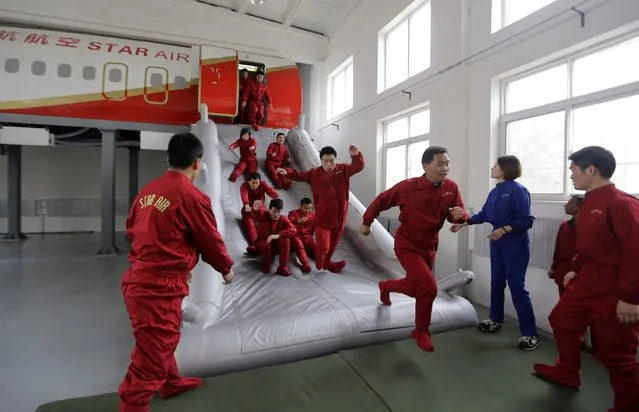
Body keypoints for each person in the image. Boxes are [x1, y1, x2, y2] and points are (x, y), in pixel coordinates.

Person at [119, 132, 235, 412]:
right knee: (150, 360)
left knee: (164, 339)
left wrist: (176, 260)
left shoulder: (147, 191)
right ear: (197, 164)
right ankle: (132, 405)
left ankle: (170, 383)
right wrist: (226, 269)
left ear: (169, 158)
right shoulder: (192, 197)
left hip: (140, 279)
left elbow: (131, 231)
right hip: (158, 288)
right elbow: (210, 240)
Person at [532, 146, 639, 412]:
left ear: (591, 170)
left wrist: (630, 298)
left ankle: (629, 405)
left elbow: (636, 252)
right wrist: (576, 267)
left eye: (574, 170)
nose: (571, 175)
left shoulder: (623, 203)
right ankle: (568, 372)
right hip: (587, 282)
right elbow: (590, 244)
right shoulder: (588, 201)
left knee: (617, 355)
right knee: (562, 319)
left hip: (615, 291)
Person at [360, 146, 468, 352]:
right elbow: (383, 199)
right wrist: (367, 222)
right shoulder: (408, 187)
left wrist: (460, 217)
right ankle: (420, 330)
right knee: (429, 287)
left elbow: (457, 211)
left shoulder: (451, 188)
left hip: (430, 245)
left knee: (415, 287)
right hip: (407, 243)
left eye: (447, 163)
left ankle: (386, 286)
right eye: (440, 164)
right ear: (426, 166)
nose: (445, 168)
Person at [451, 155, 539, 351]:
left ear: (505, 169)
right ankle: (495, 320)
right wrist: (463, 223)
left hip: (514, 243)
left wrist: (504, 229)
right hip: (497, 242)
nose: (492, 168)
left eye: (496, 165)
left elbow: (526, 220)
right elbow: (484, 214)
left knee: (517, 286)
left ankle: (530, 333)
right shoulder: (495, 192)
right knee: (497, 282)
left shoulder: (519, 190)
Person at [277, 145, 364, 273]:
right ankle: (320, 262)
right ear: (321, 161)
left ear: (336, 160)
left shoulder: (343, 169)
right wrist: (288, 172)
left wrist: (356, 156)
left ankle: (326, 264)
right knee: (323, 246)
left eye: (332, 161)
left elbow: (358, 167)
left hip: (340, 217)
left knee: (333, 246)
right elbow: (300, 175)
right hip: (323, 218)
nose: (329, 164)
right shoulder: (314, 174)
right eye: (325, 161)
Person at [548, 195, 583, 297]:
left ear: (580, 206)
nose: (565, 205)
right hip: (563, 269)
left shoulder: (587, 226)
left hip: (580, 270)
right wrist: (554, 267)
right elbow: (558, 249)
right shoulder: (564, 226)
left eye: (570, 203)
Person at [253, 198, 297, 276]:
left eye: (278, 212)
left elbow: (293, 230)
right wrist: (255, 209)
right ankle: (266, 264)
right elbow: (256, 214)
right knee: (266, 245)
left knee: (286, 240)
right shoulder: (264, 215)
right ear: (269, 209)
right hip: (263, 243)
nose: (276, 215)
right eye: (274, 211)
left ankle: (282, 267)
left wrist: (278, 235)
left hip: (276, 246)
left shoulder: (283, 218)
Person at [240, 172, 279, 254]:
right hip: (249, 209)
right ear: (248, 181)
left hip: (260, 208)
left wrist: (275, 195)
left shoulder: (263, 184)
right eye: (253, 183)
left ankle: (272, 244)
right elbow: (244, 195)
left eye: (257, 183)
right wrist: (246, 205)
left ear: (259, 182)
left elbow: (272, 193)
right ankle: (254, 245)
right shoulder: (244, 186)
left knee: (266, 223)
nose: (255, 185)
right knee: (251, 226)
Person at [288, 197, 316, 273]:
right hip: (296, 237)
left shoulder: (313, 215)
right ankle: (305, 264)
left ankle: (329, 264)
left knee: (316, 250)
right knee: (299, 245)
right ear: (300, 206)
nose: (307, 210)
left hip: (308, 238)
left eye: (309, 208)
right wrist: (298, 221)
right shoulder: (293, 213)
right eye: (305, 208)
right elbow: (287, 224)